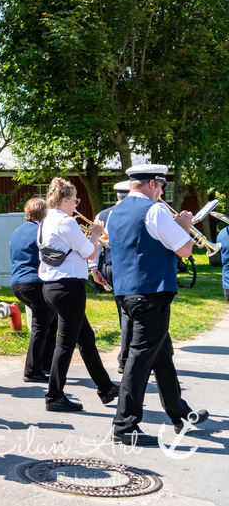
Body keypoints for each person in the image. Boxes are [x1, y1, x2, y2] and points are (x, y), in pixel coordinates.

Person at [108, 164, 208, 445]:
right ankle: (124, 427)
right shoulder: (154, 211)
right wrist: (184, 228)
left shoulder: (116, 212)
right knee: (139, 360)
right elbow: (185, 249)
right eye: (162, 186)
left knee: (161, 355)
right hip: (151, 293)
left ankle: (180, 414)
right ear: (152, 183)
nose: (162, 192)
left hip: (127, 292)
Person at [37, 178, 119, 413]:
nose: (77, 203)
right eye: (75, 199)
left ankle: (106, 388)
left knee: (86, 338)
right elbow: (90, 251)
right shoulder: (66, 222)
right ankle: (54, 395)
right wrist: (94, 234)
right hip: (68, 287)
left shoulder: (46, 221)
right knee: (65, 344)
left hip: (52, 286)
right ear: (65, 200)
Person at [9, 197, 57, 383]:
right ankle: (32, 370)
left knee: (50, 321)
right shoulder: (41, 231)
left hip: (18, 283)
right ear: (44, 214)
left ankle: (46, 364)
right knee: (40, 327)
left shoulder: (17, 231)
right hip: (35, 282)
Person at [91, 180, 131, 373]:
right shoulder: (136, 212)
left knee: (123, 309)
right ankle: (125, 357)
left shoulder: (103, 214)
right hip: (128, 265)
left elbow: (96, 243)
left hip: (109, 265)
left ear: (117, 196)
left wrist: (93, 269)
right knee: (129, 312)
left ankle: (126, 356)